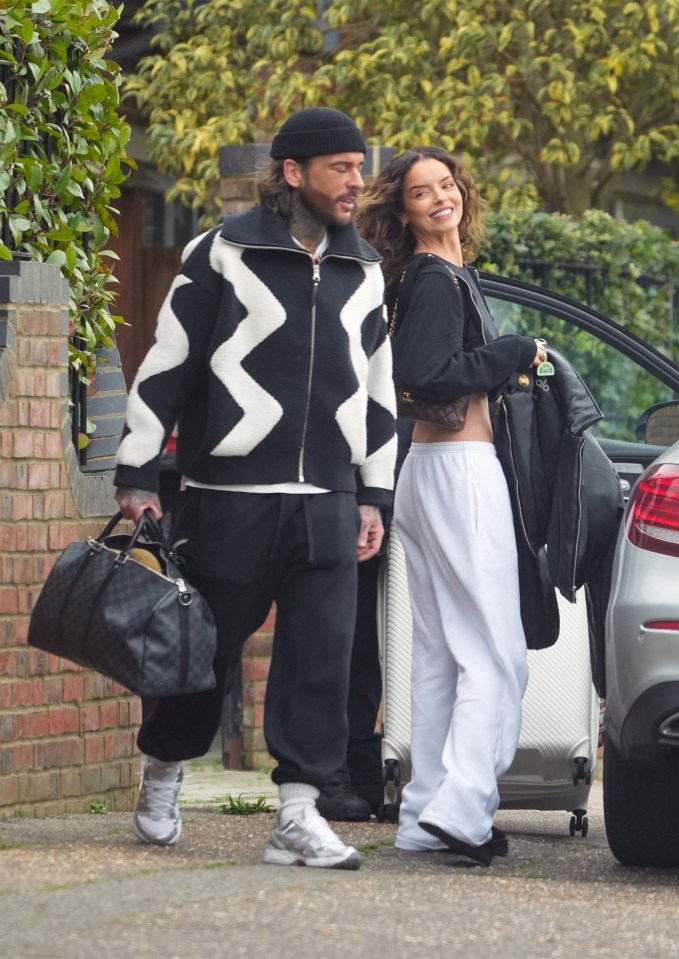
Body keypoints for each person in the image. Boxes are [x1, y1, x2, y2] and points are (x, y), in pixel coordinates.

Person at [113, 107, 397, 870]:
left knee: (319, 660)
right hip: (229, 494)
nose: (355, 181)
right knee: (203, 653)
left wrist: (374, 494)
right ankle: (165, 768)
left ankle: (298, 813)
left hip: (330, 501)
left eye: (359, 166)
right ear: (294, 173)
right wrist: (138, 471)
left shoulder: (362, 266)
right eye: (340, 167)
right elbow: (166, 364)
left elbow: (378, 390)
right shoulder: (223, 252)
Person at [357, 146, 548, 866]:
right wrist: (512, 352)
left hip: (427, 475)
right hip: (459, 473)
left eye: (445, 185)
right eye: (419, 192)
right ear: (402, 211)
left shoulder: (435, 277)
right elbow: (421, 376)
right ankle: (463, 810)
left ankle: (421, 813)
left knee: (439, 656)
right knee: (496, 657)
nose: (439, 198)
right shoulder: (435, 280)